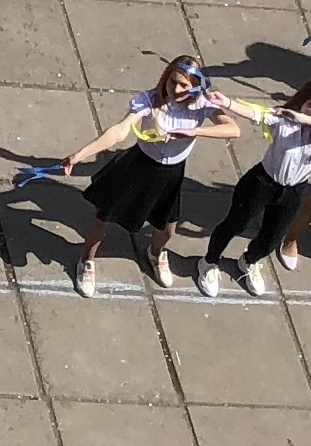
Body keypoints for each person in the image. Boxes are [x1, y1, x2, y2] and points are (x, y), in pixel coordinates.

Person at [61, 58, 251, 294]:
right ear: (166, 77)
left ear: (195, 86)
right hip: (139, 166)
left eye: (184, 85)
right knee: (104, 216)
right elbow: (119, 131)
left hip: (171, 175)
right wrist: (80, 155)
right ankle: (86, 260)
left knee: (167, 229)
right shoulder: (150, 100)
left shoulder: (202, 103)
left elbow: (233, 129)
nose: (176, 89)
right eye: (173, 81)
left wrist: (193, 131)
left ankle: (154, 254)